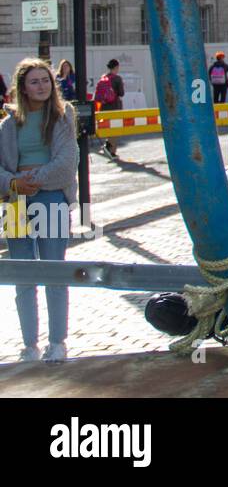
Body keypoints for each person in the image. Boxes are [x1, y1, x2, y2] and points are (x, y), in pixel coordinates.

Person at [1, 59, 79, 362]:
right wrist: (13, 183)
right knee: (24, 274)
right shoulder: (8, 125)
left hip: (51, 199)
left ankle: (58, 342)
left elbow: (66, 161)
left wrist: (32, 180)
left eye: (46, 80)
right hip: (16, 203)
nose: (42, 86)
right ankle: (29, 345)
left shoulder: (62, 117)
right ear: (22, 87)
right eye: (34, 81)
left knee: (54, 271)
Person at [94, 59, 125, 158]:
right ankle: (111, 150)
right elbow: (121, 93)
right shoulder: (117, 79)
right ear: (116, 67)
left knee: (108, 128)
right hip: (115, 106)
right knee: (115, 129)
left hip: (105, 107)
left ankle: (108, 146)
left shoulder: (104, 78)